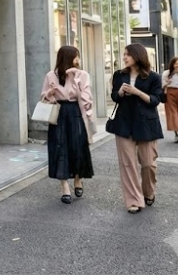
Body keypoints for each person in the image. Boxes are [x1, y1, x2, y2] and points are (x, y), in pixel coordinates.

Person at [107, 43, 163, 214]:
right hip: (123, 123)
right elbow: (114, 96)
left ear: (138, 56)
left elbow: (156, 100)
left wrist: (137, 92)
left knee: (148, 164)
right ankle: (133, 200)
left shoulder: (153, 77)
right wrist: (121, 93)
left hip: (146, 124)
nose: (124, 57)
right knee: (127, 164)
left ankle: (148, 192)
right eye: (124, 54)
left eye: (128, 54)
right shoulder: (119, 75)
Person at [40, 46, 94, 204]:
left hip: (75, 112)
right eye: (76, 57)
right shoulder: (51, 75)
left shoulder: (82, 75)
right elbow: (43, 97)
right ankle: (64, 187)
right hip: (58, 113)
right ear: (67, 58)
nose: (78, 60)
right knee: (59, 148)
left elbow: (87, 99)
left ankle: (78, 178)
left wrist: (75, 80)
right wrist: (49, 94)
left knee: (77, 147)